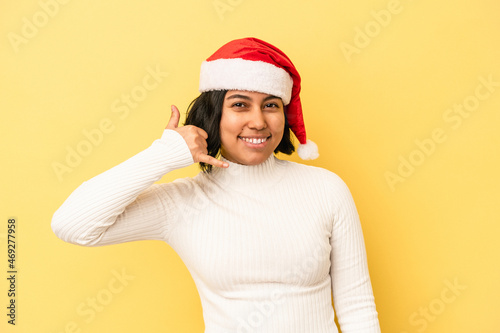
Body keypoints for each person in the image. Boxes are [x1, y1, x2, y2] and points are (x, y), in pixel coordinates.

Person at [52, 37, 381, 332]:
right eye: (240, 104)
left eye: (271, 105)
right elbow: (72, 225)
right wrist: (164, 155)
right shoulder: (183, 203)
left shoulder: (326, 189)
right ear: (214, 115)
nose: (258, 121)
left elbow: (357, 308)